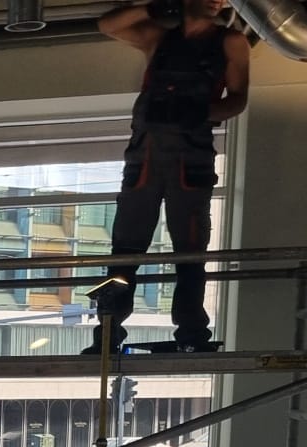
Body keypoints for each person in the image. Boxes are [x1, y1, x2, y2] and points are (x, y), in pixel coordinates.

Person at [87, 0, 250, 354]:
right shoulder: (159, 38)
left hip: (190, 158)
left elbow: (238, 99)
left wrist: (200, 112)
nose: (218, 0)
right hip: (145, 156)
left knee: (190, 251)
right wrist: (152, 6)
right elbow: (107, 25)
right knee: (125, 251)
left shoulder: (230, 42)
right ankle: (108, 331)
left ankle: (192, 333)